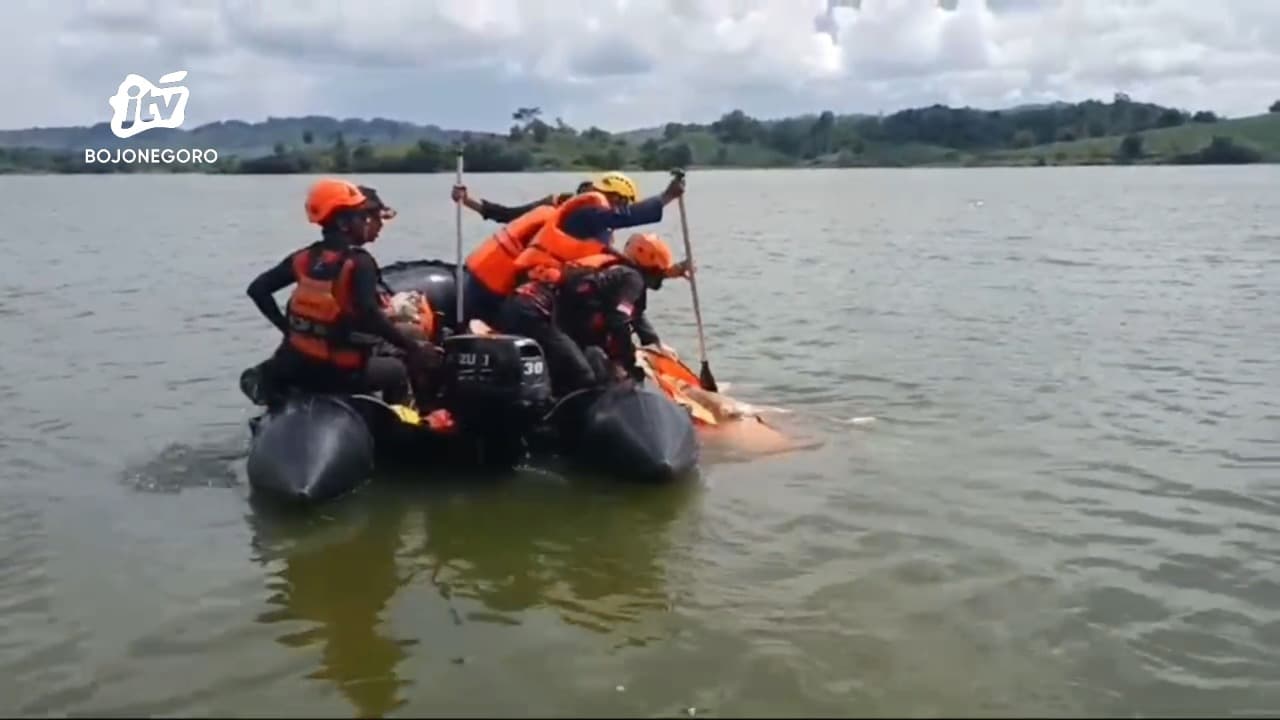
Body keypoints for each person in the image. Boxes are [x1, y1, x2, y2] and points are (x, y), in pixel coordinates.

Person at [245, 178, 442, 408]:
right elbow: (370, 315)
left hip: (299, 364)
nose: (367, 222)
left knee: (397, 339)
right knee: (399, 369)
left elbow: (257, 289)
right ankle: (401, 425)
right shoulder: (358, 262)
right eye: (361, 217)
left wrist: (286, 329)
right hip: (338, 372)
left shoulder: (303, 258)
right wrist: (414, 348)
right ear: (343, 222)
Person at [498, 231, 688, 396]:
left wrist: (654, 342)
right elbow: (620, 319)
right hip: (537, 311)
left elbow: (630, 312)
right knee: (584, 376)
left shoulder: (613, 267)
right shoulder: (632, 279)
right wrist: (629, 362)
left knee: (585, 361)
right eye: (659, 272)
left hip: (521, 304)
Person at [449, 181, 595, 327]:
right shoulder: (551, 211)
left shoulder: (591, 228)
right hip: (500, 284)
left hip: (494, 279)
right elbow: (508, 214)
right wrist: (467, 201)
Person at [508, 170, 685, 282]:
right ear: (616, 197)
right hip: (536, 280)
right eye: (624, 202)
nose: (623, 207)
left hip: (548, 278)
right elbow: (626, 216)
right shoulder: (587, 213)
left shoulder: (597, 225)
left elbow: (616, 263)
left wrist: (665, 273)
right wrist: (666, 197)